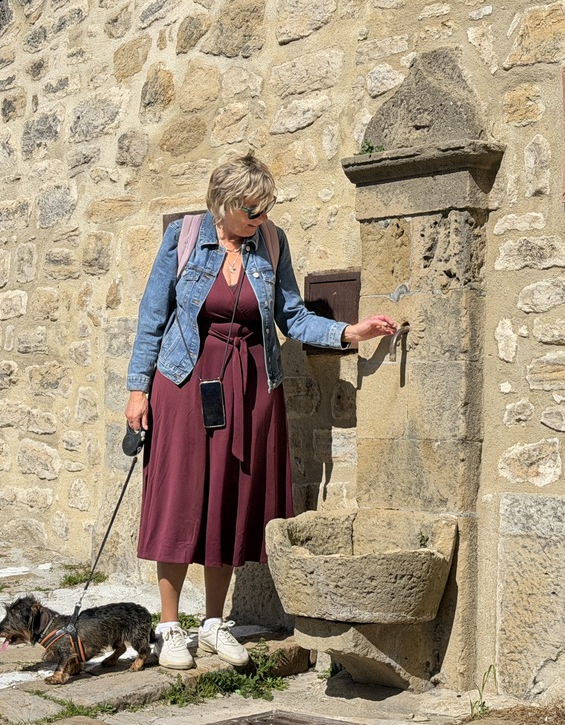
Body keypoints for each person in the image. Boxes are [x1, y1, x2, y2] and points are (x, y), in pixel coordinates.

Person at [125, 152, 397, 670]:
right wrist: (138, 389)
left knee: (229, 496)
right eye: (251, 210)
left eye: (265, 208)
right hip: (184, 380)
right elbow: (152, 315)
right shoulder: (184, 238)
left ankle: (213, 624)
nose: (260, 218)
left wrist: (349, 333)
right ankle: (169, 626)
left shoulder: (272, 243)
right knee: (180, 495)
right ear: (223, 204)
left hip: (250, 383)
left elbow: (292, 316)